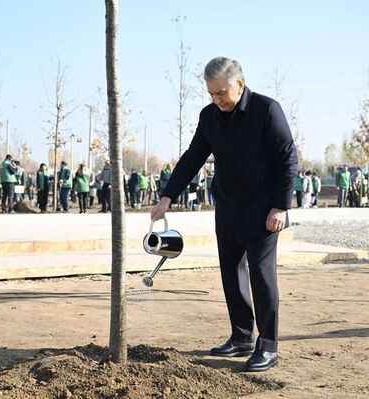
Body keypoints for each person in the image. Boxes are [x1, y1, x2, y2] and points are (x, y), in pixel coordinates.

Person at [151, 57, 297, 372]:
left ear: (239, 84)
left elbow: (287, 157)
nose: (217, 100)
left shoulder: (266, 110)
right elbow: (192, 158)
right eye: (212, 95)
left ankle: (268, 345)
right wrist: (167, 196)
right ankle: (242, 336)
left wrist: (281, 206)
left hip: (263, 210)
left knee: (261, 274)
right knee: (231, 273)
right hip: (229, 207)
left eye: (222, 93)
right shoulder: (210, 117)